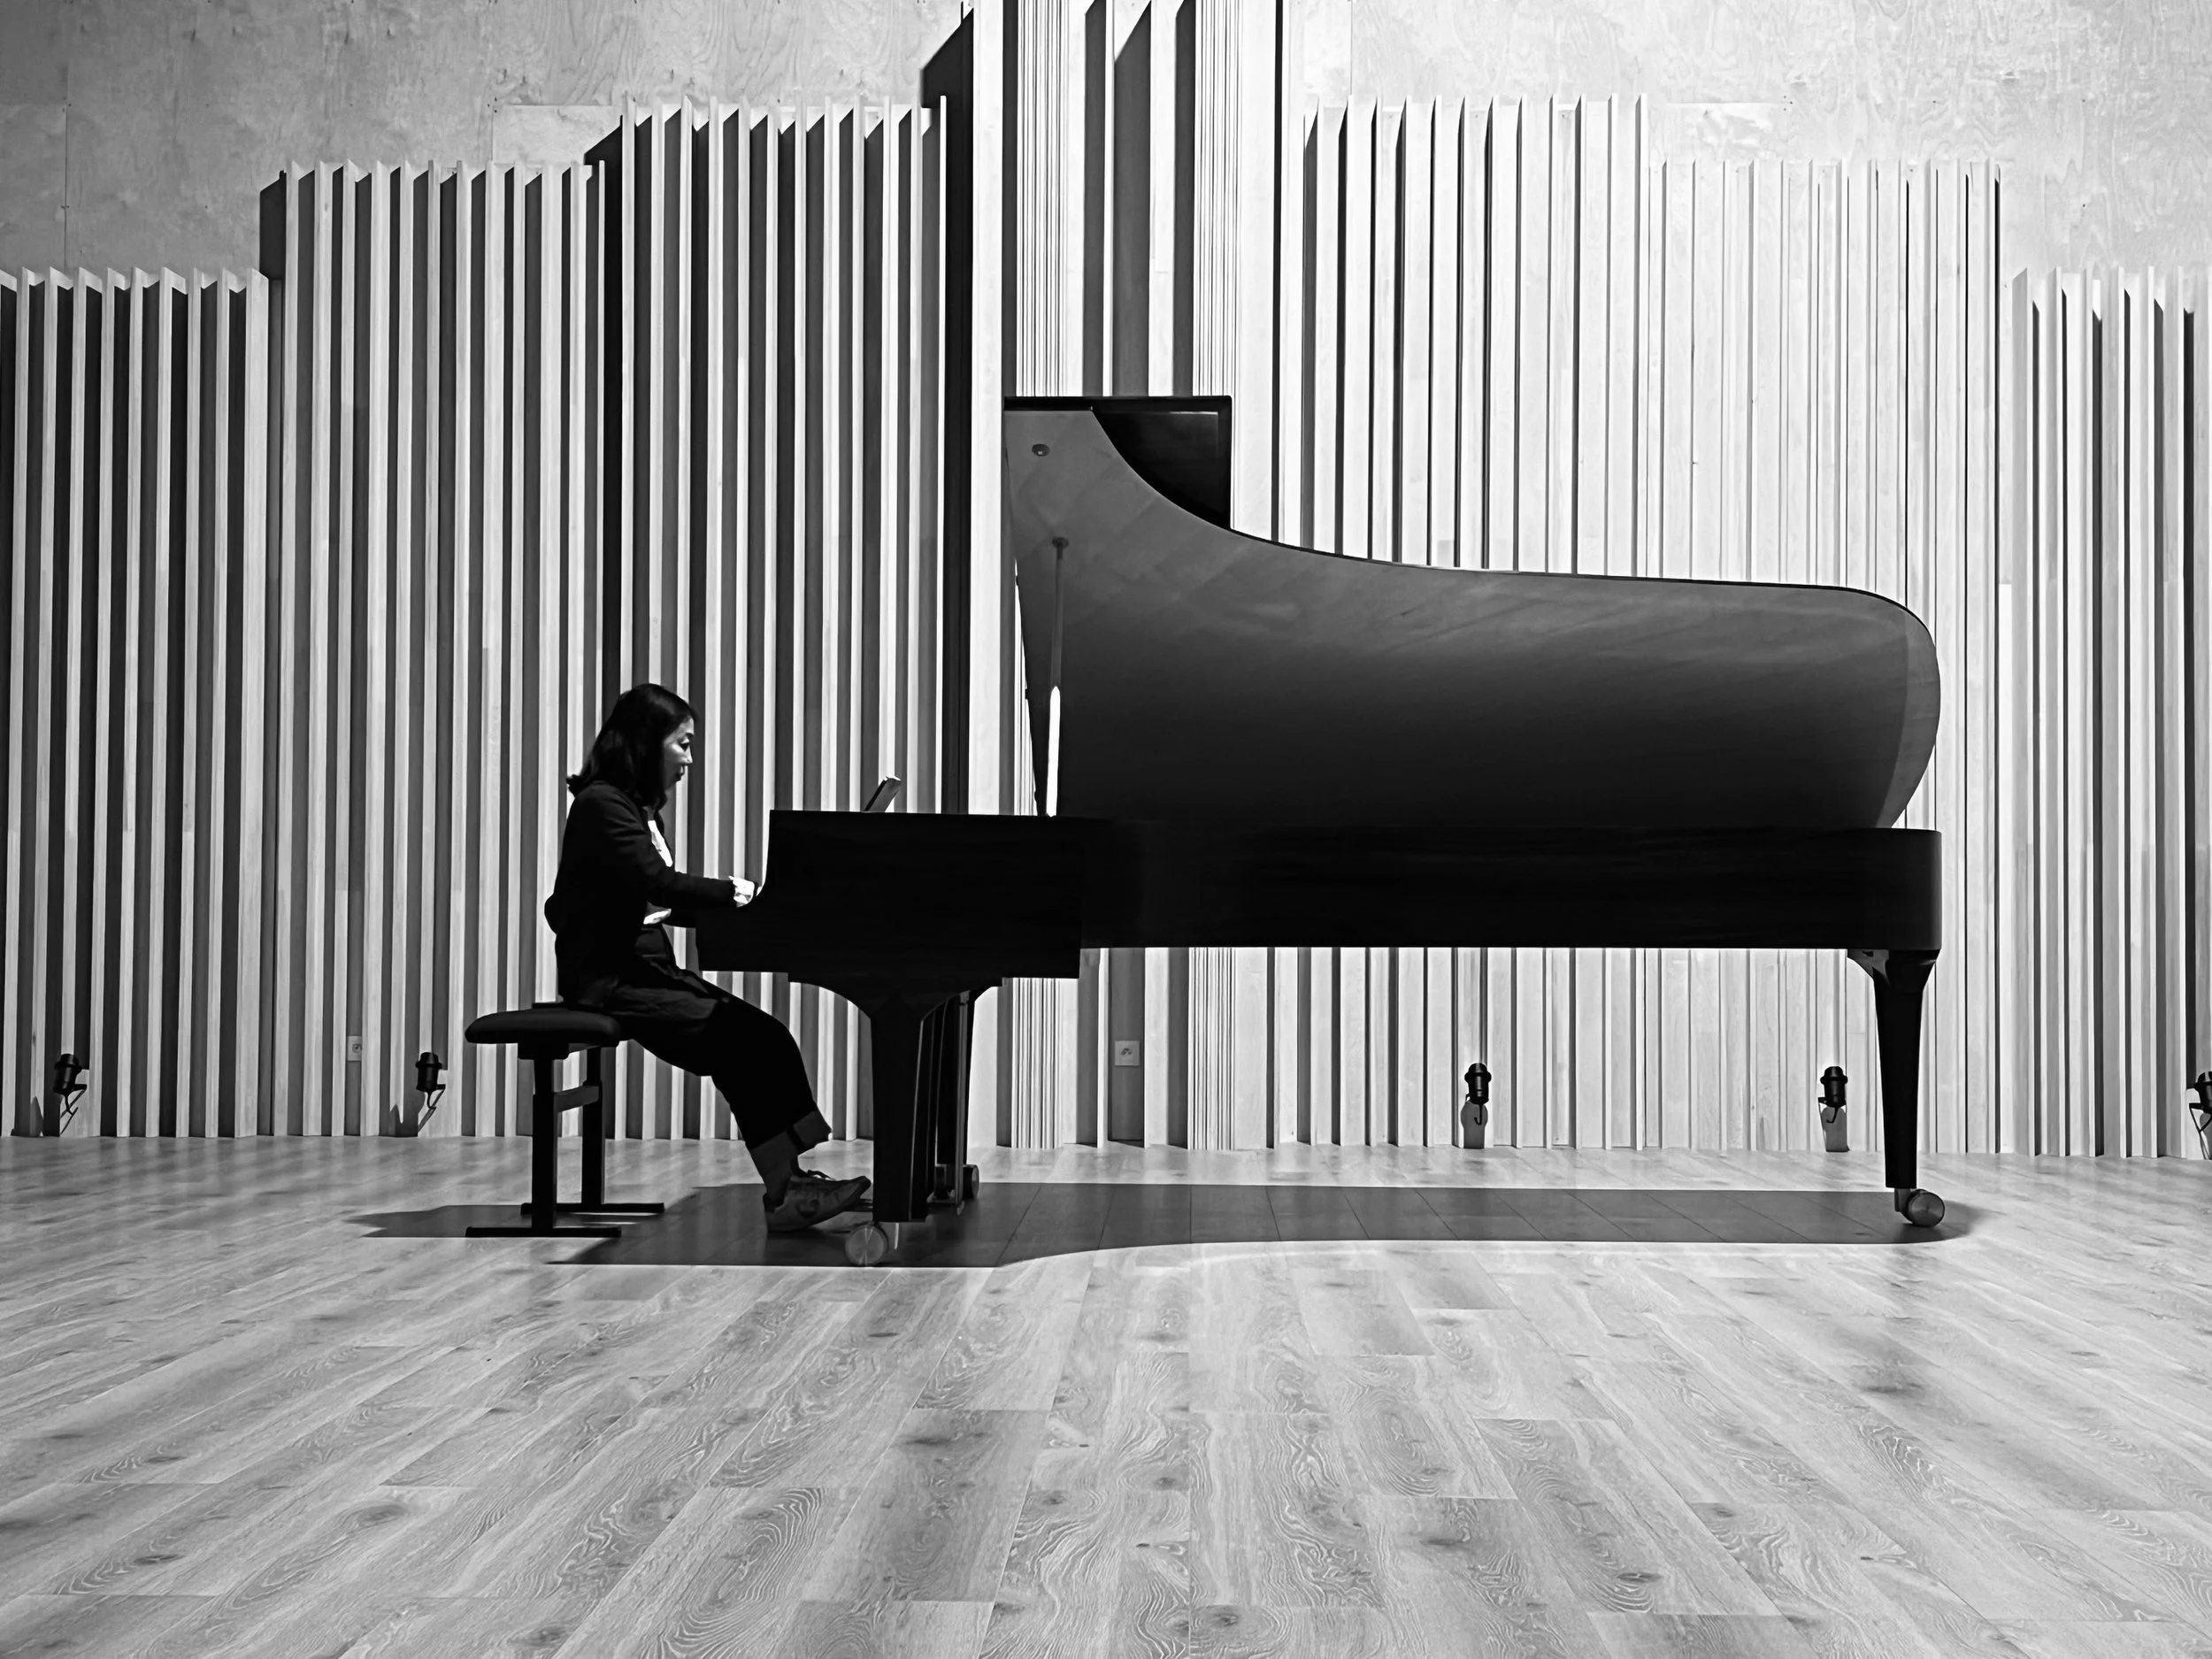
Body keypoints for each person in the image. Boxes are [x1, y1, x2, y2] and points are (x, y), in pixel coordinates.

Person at [543, 683, 871, 1233]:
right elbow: (657, 882)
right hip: (612, 979)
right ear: (647, 743)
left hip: (646, 968)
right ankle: (784, 1191)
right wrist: (733, 893)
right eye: (684, 744)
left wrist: (758, 908)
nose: (690, 759)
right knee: (738, 1042)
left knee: (763, 1034)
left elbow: (656, 900)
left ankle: (791, 1178)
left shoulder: (637, 811)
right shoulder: (603, 806)